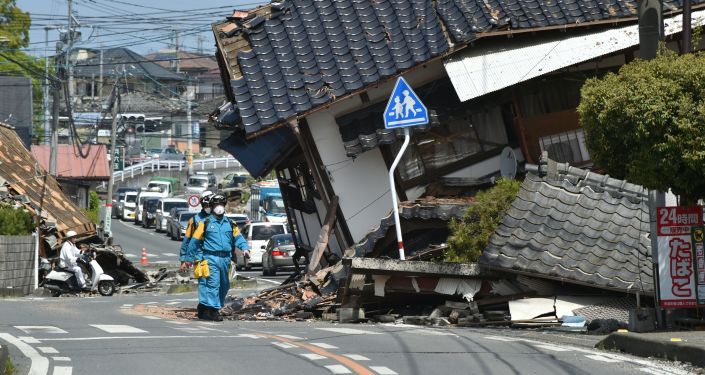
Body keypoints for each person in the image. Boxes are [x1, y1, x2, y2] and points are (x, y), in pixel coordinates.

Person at [189, 194, 250, 321]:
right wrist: (188, 258)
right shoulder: (204, 223)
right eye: (217, 205)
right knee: (213, 284)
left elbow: (238, 238)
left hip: (226, 259)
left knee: (225, 285)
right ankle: (213, 310)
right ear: (212, 207)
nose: (219, 207)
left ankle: (211, 307)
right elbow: (194, 241)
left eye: (221, 205)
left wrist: (244, 248)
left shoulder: (230, 223)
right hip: (210, 258)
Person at [179, 190, 213, 318]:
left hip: (215, 257)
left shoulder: (219, 219)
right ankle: (204, 307)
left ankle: (213, 306)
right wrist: (184, 259)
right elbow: (187, 240)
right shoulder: (195, 220)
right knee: (204, 282)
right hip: (200, 257)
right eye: (206, 204)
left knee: (217, 283)